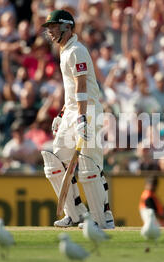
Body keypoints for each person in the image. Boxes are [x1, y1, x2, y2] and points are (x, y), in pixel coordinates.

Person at [40, 10, 114, 229]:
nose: (50, 31)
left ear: (67, 27)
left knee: (89, 167)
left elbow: (82, 87)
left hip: (87, 111)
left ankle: (103, 219)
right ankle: (75, 214)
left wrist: (81, 118)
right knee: (54, 163)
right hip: (73, 112)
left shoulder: (77, 50)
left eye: (54, 26)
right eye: (49, 27)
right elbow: (72, 90)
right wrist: (63, 114)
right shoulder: (65, 51)